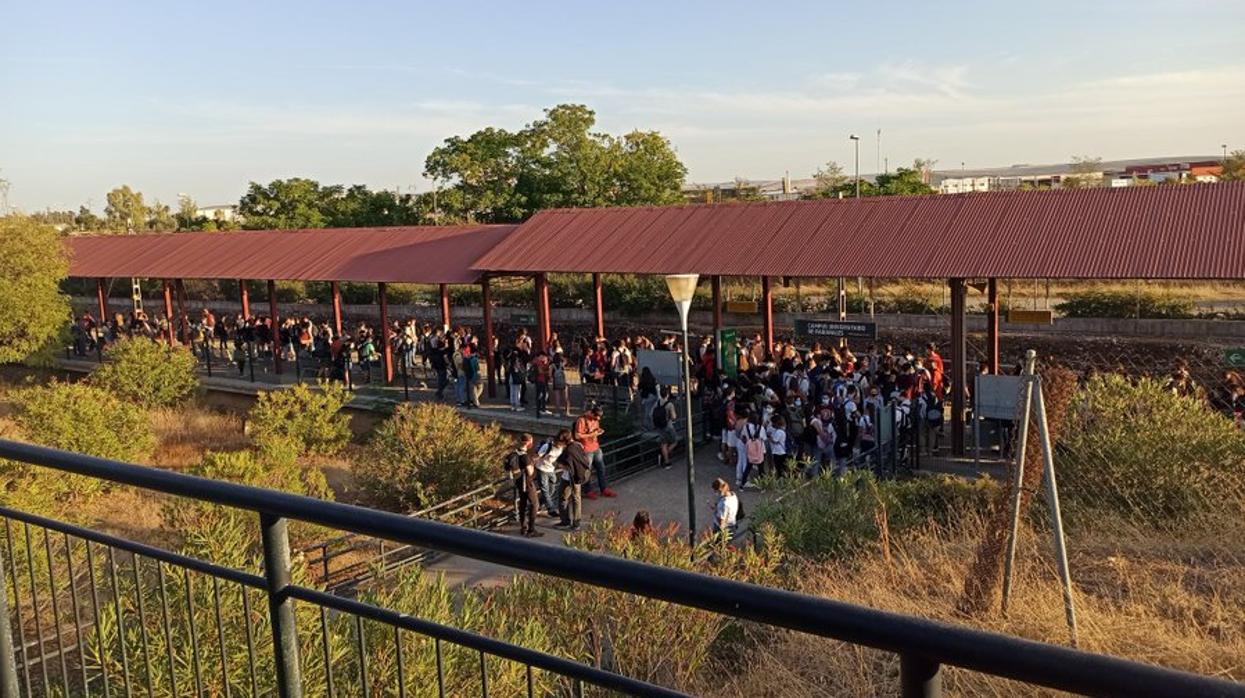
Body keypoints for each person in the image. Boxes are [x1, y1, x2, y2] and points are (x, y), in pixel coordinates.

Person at [575, 404, 616, 499]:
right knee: (587, 471)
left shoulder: (596, 419)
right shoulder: (582, 420)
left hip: (596, 447)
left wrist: (598, 431)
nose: (598, 419)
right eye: (596, 417)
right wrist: (592, 434)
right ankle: (588, 490)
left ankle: (604, 488)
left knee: (601, 468)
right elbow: (577, 436)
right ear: (592, 413)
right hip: (586, 448)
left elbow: (595, 430)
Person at [504, 433, 541, 537]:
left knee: (522, 504)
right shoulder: (525, 457)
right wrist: (533, 467)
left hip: (519, 482)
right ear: (528, 443)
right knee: (535, 504)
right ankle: (531, 529)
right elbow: (530, 472)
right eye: (532, 442)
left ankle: (523, 527)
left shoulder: (514, 454)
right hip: (527, 483)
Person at [555, 429, 589, 531]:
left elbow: (566, 465)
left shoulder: (568, 451)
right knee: (576, 499)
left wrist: (559, 464)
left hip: (570, 477)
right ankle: (576, 523)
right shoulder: (578, 445)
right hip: (578, 476)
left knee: (563, 498)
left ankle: (566, 521)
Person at [534, 438, 562, 518]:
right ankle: (551, 509)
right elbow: (538, 456)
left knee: (551, 489)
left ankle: (537, 506)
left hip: (551, 469)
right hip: (542, 469)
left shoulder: (561, 448)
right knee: (545, 490)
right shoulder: (547, 446)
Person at [654, 387, 679, 469]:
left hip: (659, 426)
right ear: (667, 394)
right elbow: (674, 416)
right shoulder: (669, 404)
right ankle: (665, 456)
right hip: (668, 426)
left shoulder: (657, 403)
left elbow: (651, 414)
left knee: (663, 443)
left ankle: (666, 461)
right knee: (675, 441)